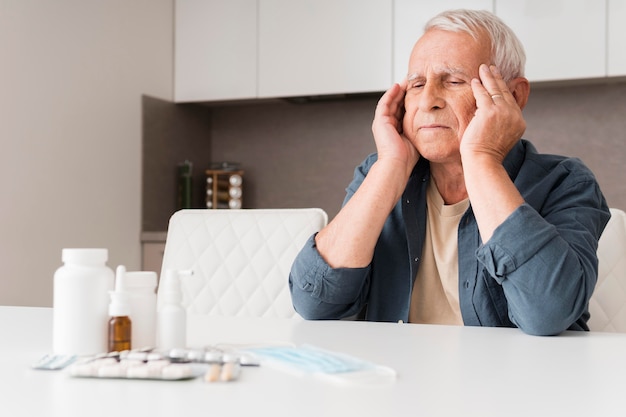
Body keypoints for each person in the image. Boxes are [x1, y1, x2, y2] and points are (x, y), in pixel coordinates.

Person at [288, 9, 611, 336]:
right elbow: (313, 303)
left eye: (454, 80)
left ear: (513, 96)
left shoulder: (565, 182)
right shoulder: (379, 172)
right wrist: (390, 166)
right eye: (416, 84)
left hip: (514, 383)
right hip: (397, 378)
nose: (427, 100)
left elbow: (548, 314)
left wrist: (482, 159)